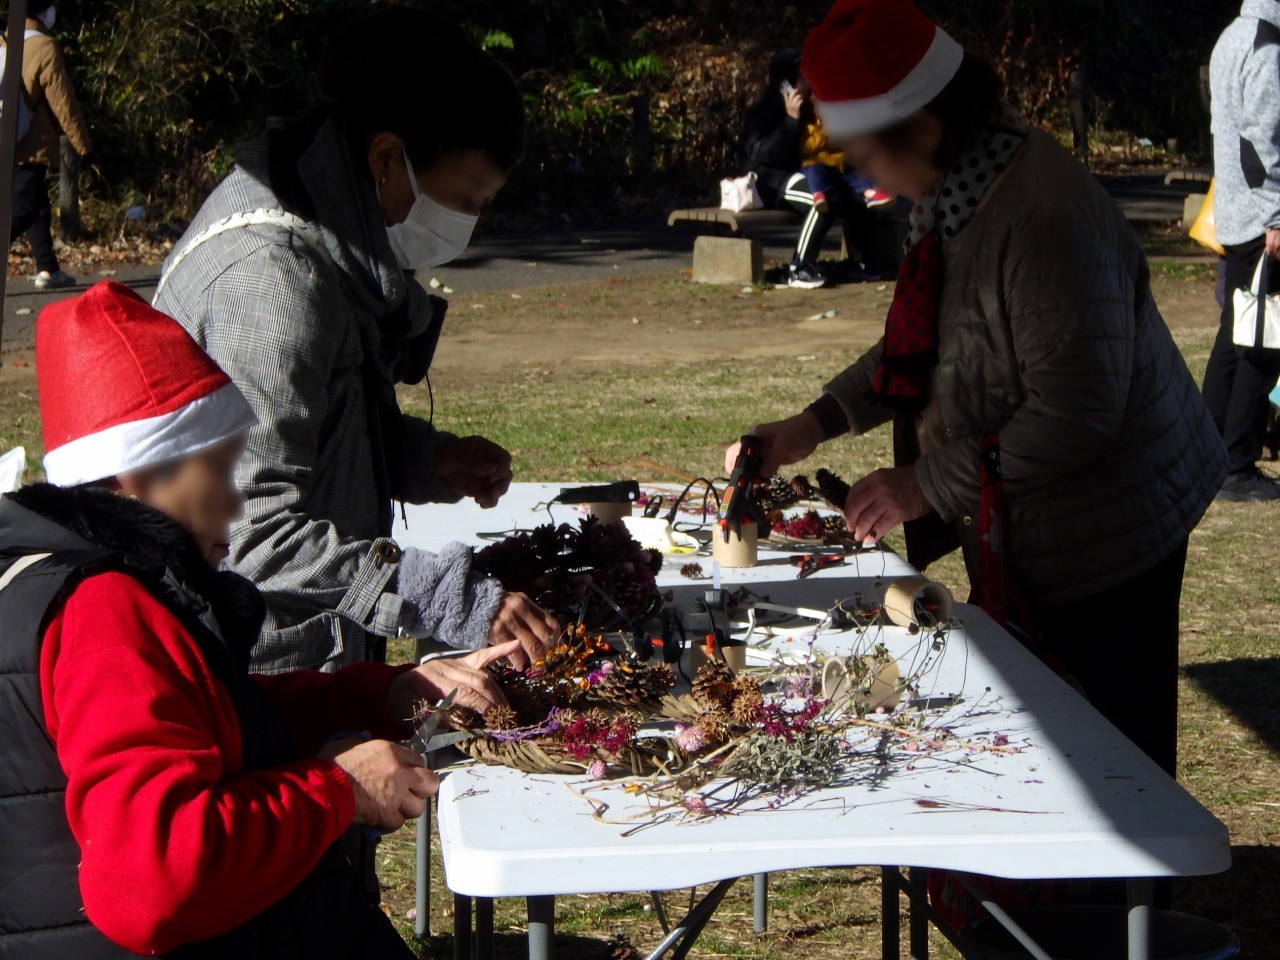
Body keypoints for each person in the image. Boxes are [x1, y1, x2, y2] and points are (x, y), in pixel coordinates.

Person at [726, 0, 1227, 779]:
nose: (862, 174)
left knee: (1112, 755)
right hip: (1039, 510)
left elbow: (1077, 413)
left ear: (923, 128)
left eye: (864, 154)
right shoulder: (963, 186)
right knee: (1058, 737)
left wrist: (923, 483)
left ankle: (1122, 901)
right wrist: (810, 425)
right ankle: (1063, 899)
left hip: (1113, 523)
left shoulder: (1042, 218)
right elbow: (925, 346)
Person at [0, 281, 515, 959]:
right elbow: (153, 882)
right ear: (137, 474)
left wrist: (380, 693)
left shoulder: (54, 576)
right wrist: (337, 791)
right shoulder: (105, 608)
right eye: (218, 468)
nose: (236, 505)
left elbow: (200, 717)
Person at [154, 8, 558, 675]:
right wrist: (442, 591)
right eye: (470, 195)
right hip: (257, 672)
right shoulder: (269, 286)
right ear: (386, 159)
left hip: (308, 652)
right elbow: (250, 533)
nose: (473, 221)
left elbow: (311, 433)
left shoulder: (328, 240)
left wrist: (426, 460)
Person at [1202, 0, 1280, 501]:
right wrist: (1277, 212)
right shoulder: (1266, 45)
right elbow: (1263, 137)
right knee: (1264, 338)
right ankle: (1237, 463)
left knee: (1235, 335)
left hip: (1232, 210)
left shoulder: (1231, 35)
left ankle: (1207, 449)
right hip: (1260, 214)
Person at [737, 49, 882, 289]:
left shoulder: (809, 106)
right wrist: (790, 121)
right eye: (803, 77)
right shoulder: (762, 110)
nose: (809, 82)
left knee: (852, 191)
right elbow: (765, 154)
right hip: (767, 181)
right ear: (786, 83)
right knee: (824, 199)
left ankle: (860, 260)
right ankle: (799, 266)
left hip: (801, 172)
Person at [2, 0, 91, 289]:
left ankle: (48, 269)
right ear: (41, 11)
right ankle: (48, 269)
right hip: (28, 146)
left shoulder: (4, 41)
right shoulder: (43, 47)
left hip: (8, 137)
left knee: (39, 206)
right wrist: (83, 145)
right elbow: (63, 103)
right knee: (24, 207)